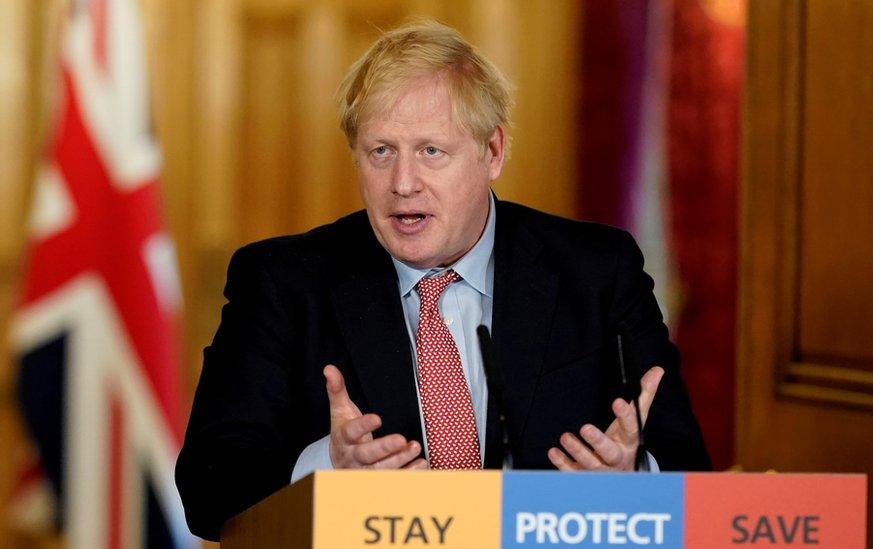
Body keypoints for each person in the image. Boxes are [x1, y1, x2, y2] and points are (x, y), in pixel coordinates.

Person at [175, 20, 710, 541]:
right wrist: (327, 474)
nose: (403, 183)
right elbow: (206, 488)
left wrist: (637, 481)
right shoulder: (282, 283)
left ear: (493, 152)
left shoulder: (598, 271)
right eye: (381, 152)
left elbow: (690, 471)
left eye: (431, 151)